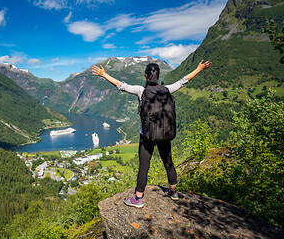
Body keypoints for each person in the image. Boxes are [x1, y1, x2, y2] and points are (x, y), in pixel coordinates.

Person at [91, 59, 212, 208]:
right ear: (159, 75)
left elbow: (121, 86)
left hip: (147, 136)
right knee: (168, 162)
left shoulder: (141, 91)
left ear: (146, 76)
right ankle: (173, 192)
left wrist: (104, 74)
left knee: (144, 167)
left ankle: (138, 198)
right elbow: (183, 81)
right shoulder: (168, 89)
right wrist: (199, 69)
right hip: (165, 134)